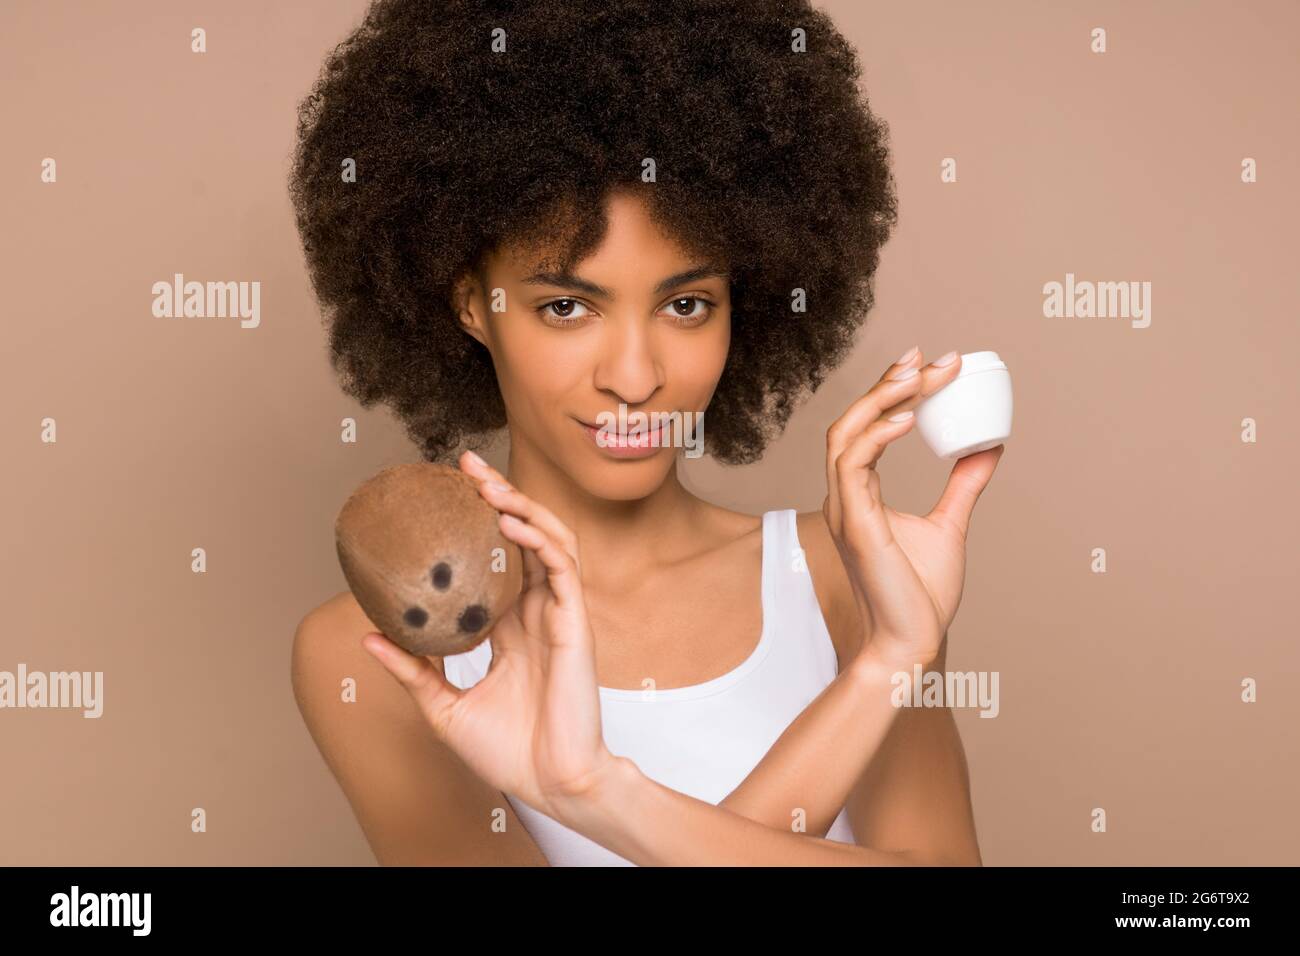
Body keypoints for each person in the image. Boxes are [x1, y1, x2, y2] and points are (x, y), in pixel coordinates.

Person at [288, 0, 1003, 865]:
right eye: (566, 307)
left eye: (686, 304)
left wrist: (894, 649)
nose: (635, 377)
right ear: (473, 304)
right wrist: (875, 677)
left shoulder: (850, 577)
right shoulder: (384, 655)